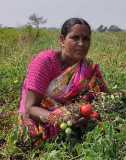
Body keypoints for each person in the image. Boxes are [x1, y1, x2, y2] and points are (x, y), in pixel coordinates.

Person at [18, 18, 108, 146]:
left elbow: (106, 97)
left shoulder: (89, 68)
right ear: (62, 40)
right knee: (33, 134)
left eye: (86, 39)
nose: (81, 44)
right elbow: (30, 108)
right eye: (75, 38)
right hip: (41, 117)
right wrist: (59, 118)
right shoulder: (45, 62)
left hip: (73, 117)